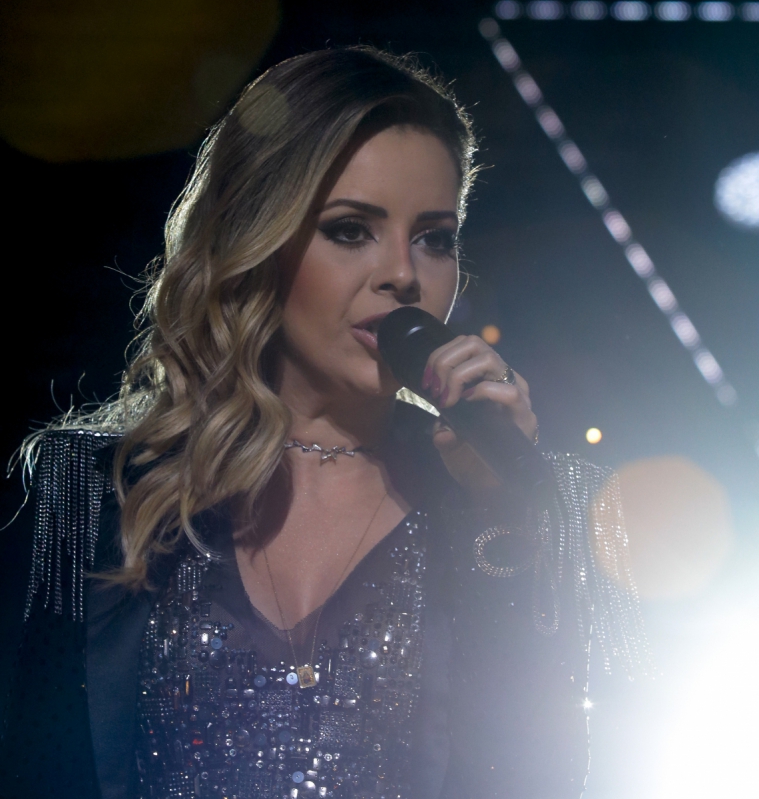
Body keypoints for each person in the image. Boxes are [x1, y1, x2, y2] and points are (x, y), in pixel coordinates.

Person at [0, 47, 645, 799]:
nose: (402, 273)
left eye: (434, 238)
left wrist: (502, 519)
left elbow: (545, 776)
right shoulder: (86, 491)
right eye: (350, 229)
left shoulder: (543, 506)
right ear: (259, 241)